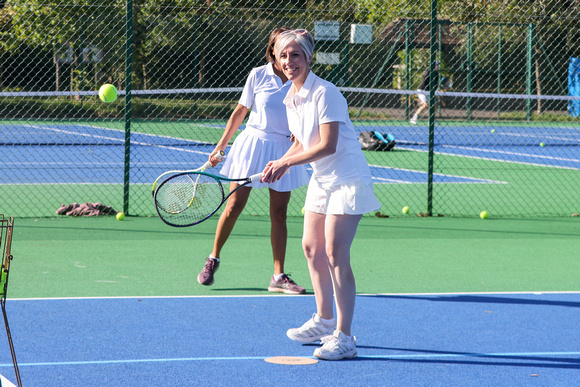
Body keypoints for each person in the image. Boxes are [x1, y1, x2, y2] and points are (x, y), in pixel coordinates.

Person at [261, 29, 381, 360]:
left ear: (309, 58)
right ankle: (324, 320)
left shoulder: (327, 93)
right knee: (311, 248)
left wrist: (286, 162)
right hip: (322, 179)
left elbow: (326, 145)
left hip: (346, 178)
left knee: (334, 253)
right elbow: (301, 140)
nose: (288, 61)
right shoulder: (290, 97)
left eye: (295, 55)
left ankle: (344, 337)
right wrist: (283, 161)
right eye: (282, 55)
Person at [197, 27, 309, 294]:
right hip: (252, 145)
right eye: (280, 50)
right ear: (273, 51)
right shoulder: (257, 75)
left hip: (284, 150)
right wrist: (220, 146)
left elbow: (307, 113)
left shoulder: (302, 77)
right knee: (234, 205)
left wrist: (300, 132)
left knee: (279, 213)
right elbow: (240, 111)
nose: (287, 57)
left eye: (292, 52)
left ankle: (278, 276)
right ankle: (213, 258)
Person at [410, 60, 439, 124]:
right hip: (422, 91)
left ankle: (432, 119)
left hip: (429, 92)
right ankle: (414, 118)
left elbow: (436, 84)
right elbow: (425, 83)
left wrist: (434, 92)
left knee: (435, 105)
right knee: (426, 105)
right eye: (435, 65)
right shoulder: (428, 72)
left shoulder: (437, 73)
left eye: (437, 65)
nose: (437, 66)